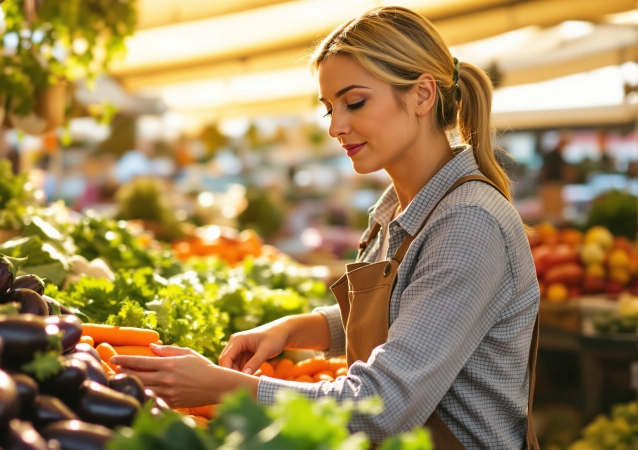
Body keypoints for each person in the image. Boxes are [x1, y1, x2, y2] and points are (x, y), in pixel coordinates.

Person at [111, 6, 539, 449]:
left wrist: (222, 388)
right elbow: (412, 311)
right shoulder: (397, 207)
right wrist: (297, 329)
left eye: (354, 102)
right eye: (329, 109)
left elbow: (383, 405)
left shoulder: (468, 223)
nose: (336, 126)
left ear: (422, 95)